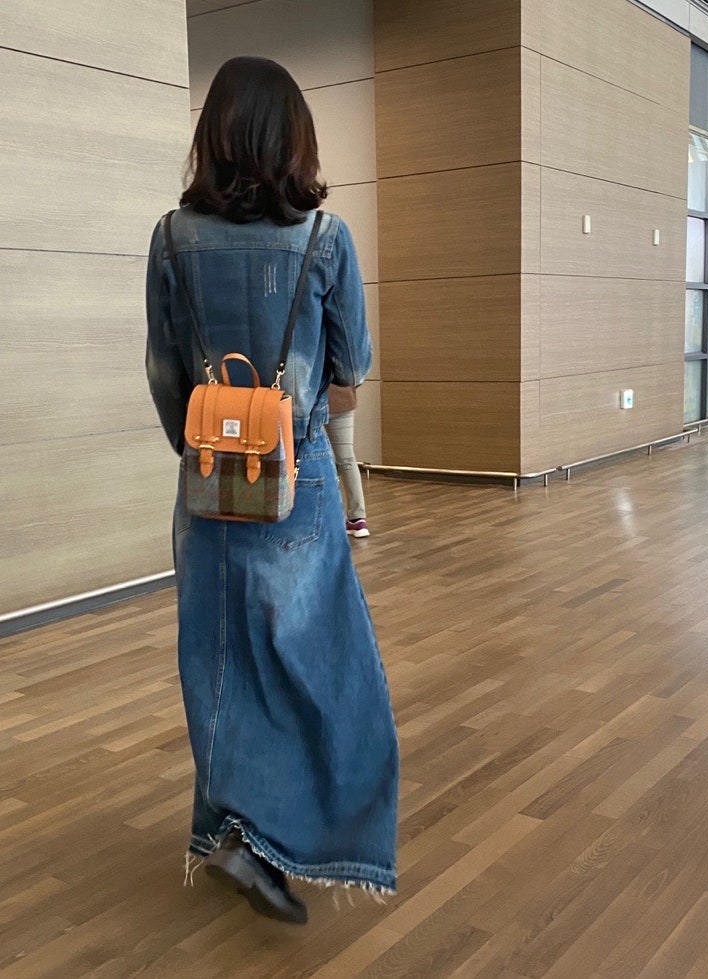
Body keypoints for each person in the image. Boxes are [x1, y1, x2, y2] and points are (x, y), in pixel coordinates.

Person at [145, 56, 399, 925]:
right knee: (319, 663)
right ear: (294, 139)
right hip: (299, 481)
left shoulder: (170, 238)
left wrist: (205, 447)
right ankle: (288, 837)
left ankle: (231, 831)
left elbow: (165, 375)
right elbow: (351, 369)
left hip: (206, 479)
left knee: (218, 660)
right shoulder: (325, 239)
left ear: (212, 135)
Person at [326, 384, 370, 537]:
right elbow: (357, 373)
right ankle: (358, 519)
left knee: (319, 461)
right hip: (344, 399)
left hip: (314, 403)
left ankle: (331, 516)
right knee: (347, 460)